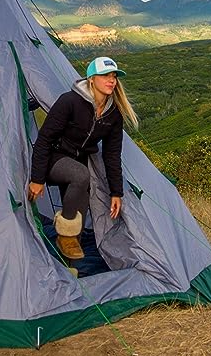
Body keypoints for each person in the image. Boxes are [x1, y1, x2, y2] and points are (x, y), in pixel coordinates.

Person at [28, 57, 139, 261]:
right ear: (91, 79)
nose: (111, 80)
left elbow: (112, 154)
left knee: (79, 216)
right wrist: (37, 178)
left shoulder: (113, 113)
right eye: (105, 75)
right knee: (81, 175)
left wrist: (117, 192)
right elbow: (44, 139)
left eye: (114, 76)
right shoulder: (69, 101)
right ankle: (66, 238)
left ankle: (70, 268)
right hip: (53, 158)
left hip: (78, 163)